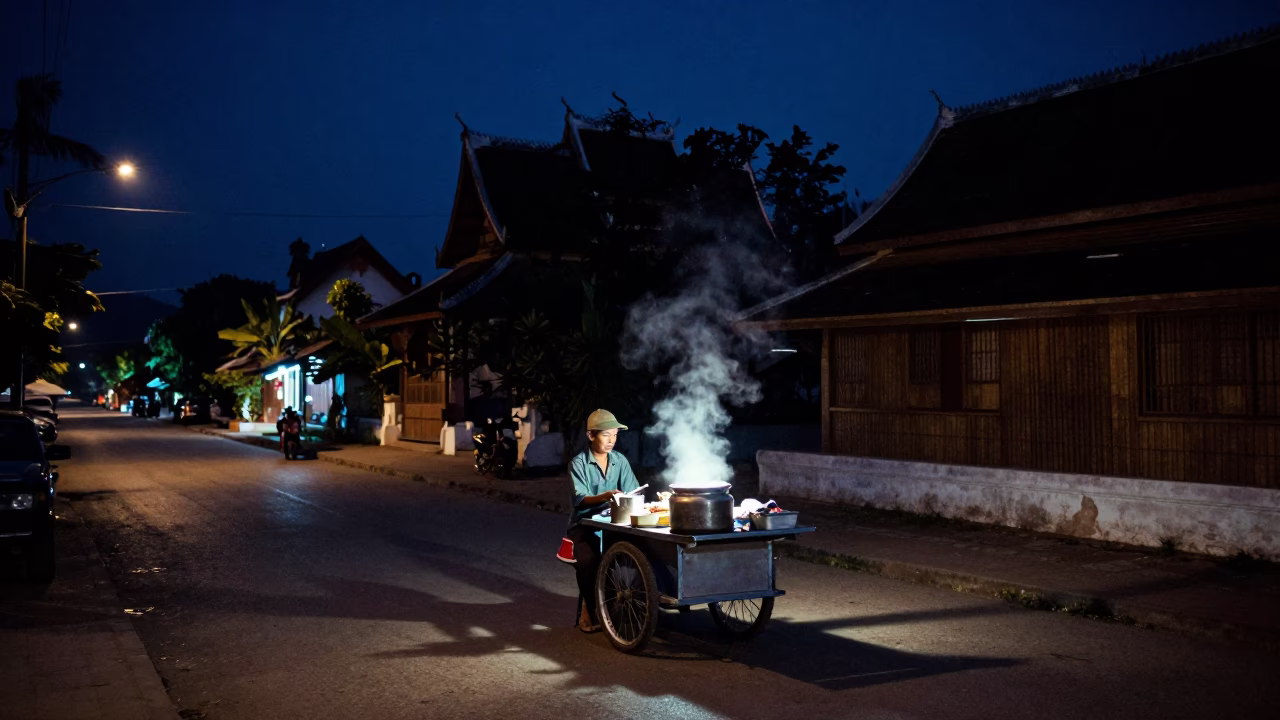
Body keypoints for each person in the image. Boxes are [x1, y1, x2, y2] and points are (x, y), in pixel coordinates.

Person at [566, 408, 639, 633]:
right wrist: (606, 497)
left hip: (615, 524)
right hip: (584, 525)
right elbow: (580, 499)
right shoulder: (578, 464)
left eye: (615, 435)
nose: (612, 441)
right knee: (588, 562)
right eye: (606, 435)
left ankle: (638, 604)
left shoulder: (620, 461)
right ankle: (589, 604)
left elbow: (633, 491)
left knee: (641, 554)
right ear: (591, 435)